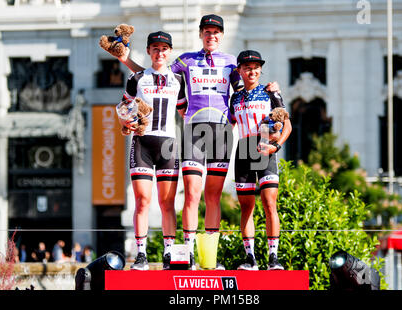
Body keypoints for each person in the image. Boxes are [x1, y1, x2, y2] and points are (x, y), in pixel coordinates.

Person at [114, 14, 280, 270]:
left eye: (216, 32)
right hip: (195, 131)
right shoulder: (185, 60)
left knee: (213, 197)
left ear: (221, 36)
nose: (211, 36)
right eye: (207, 31)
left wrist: (271, 92)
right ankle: (188, 255)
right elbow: (156, 74)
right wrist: (126, 60)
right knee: (192, 193)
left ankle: (209, 260)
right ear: (201, 34)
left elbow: (246, 89)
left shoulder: (231, 64)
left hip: (223, 133)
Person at [119, 31, 187, 270]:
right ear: (148, 51)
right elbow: (123, 108)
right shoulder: (137, 78)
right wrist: (125, 122)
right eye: (155, 48)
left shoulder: (178, 80)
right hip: (142, 144)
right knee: (142, 200)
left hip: (168, 144)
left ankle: (169, 254)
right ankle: (141, 255)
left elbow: (185, 111)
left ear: (169, 52)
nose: (160, 53)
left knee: (168, 202)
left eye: (164, 48)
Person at [229, 50, 292, 270]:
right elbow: (229, 123)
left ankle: (273, 258)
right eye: (247, 67)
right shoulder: (235, 97)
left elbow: (288, 125)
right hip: (244, 149)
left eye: (256, 67)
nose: (252, 71)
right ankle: (250, 259)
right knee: (246, 207)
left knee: (269, 203)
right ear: (240, 71)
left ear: (260, 70)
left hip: (266, 148)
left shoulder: (271, 93)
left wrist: (276, 145)